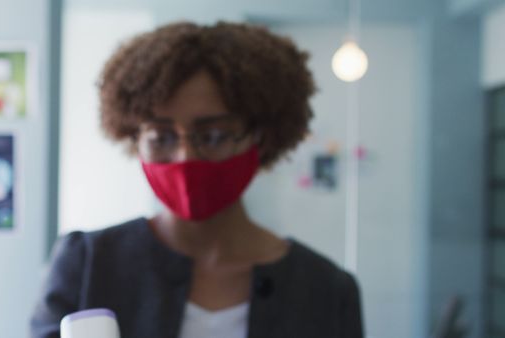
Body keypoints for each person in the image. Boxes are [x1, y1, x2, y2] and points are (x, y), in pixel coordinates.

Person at [31, 21, 364, 338]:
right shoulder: (88, 264)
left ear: (259, 137)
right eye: (161, 136)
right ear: (135, 138)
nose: (185, 157)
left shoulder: (327, 290)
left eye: (214, 135)